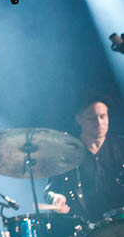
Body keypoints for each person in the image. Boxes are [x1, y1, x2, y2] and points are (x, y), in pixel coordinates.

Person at [46, 94, 124, 222]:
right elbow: (50, 190)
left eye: (103, 116)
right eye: (92, 118)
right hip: (85, 230)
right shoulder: (67, 153)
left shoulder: (121, 146)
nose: (99, 123)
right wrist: (56, 199)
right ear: (79, 119)